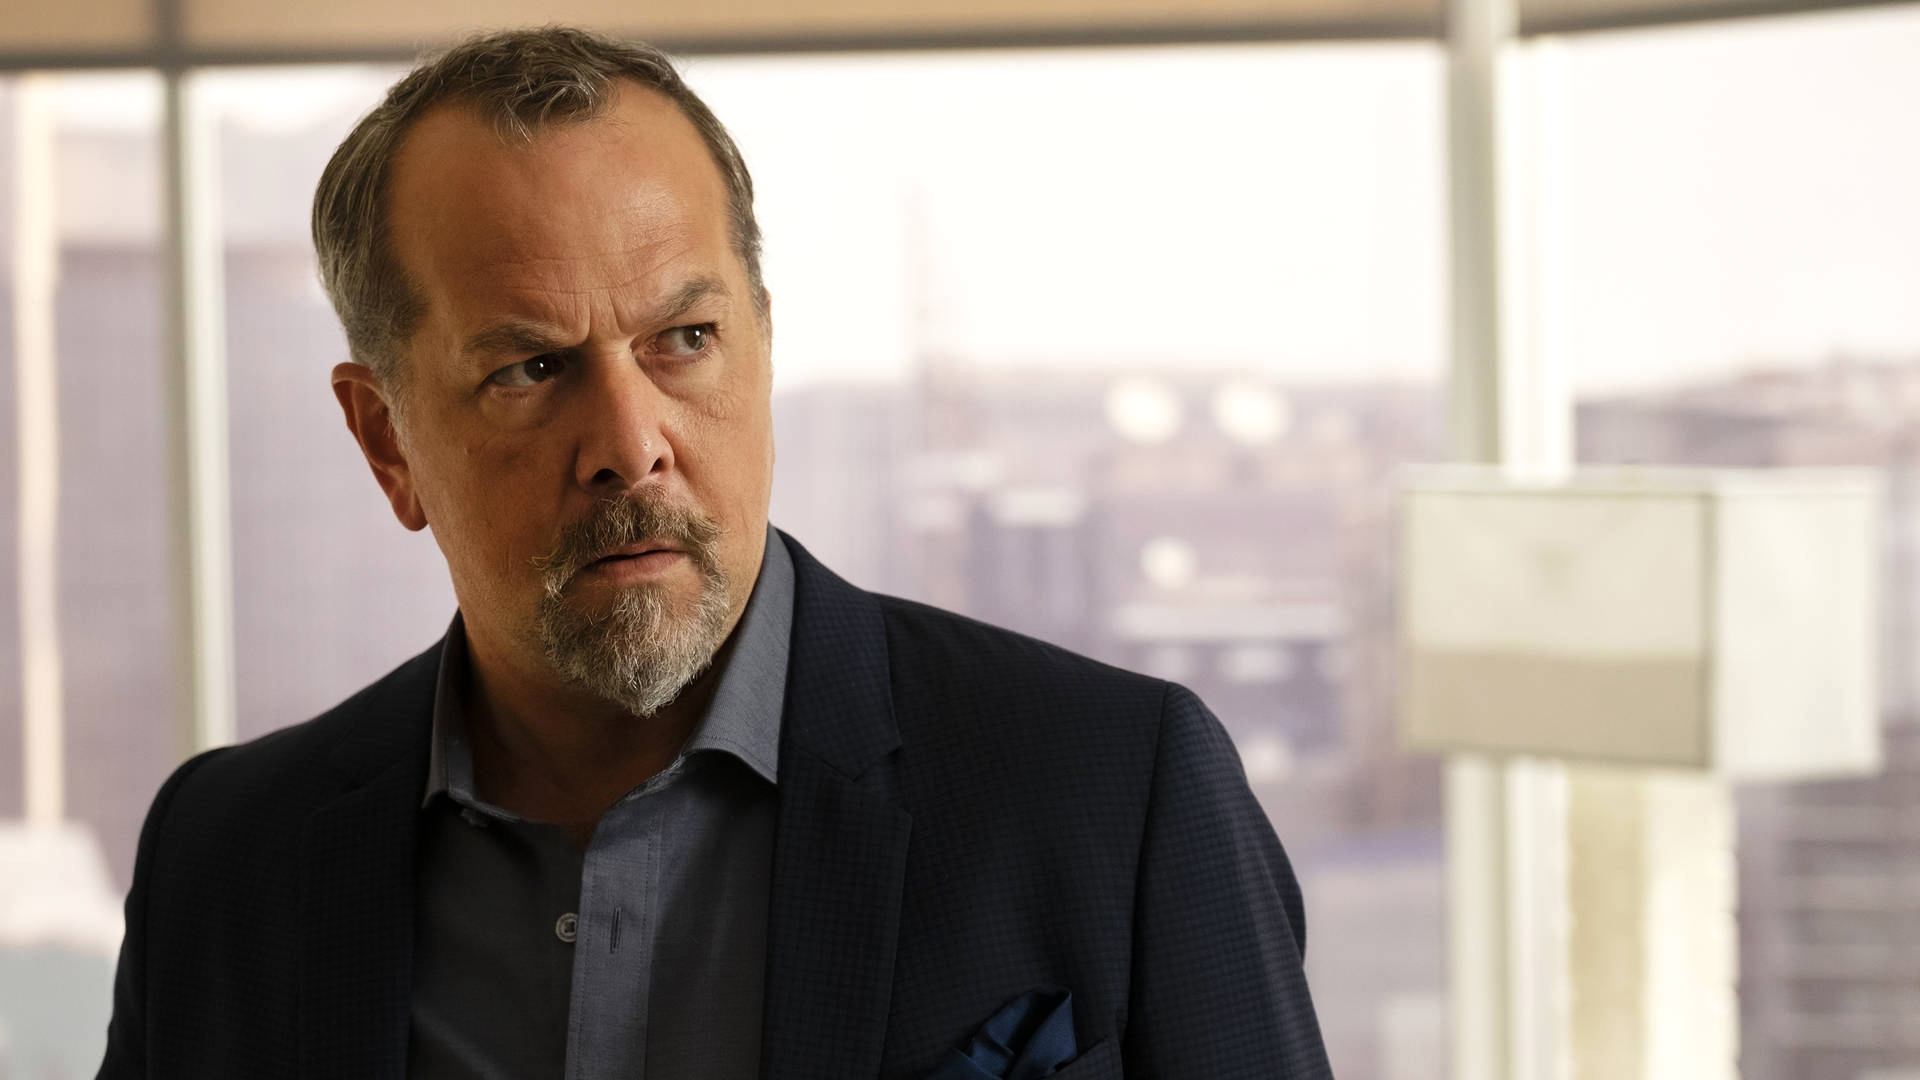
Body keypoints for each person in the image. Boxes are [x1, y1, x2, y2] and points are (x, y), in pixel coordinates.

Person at [96, 26, 1330, 1080]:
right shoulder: (226, 865)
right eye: (532, 368)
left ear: (764, 346)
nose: (630, 446)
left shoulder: (1114, 796)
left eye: (684, 339)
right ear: (386, 441)